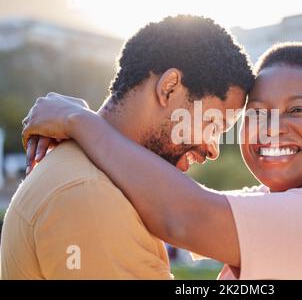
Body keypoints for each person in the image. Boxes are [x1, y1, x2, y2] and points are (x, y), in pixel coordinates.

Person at [20, 42, 302, 279]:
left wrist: (80, 121)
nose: (271, 128)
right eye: (257, 113)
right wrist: (93, 122)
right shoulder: (281, 204)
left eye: (299, 110)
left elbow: (184, 214)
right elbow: (168, 197)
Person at [0, 15, 254, 279]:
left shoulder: (93, 178)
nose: (213, 149)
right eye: (212, 124)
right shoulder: (92, 195)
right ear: (169, 88)